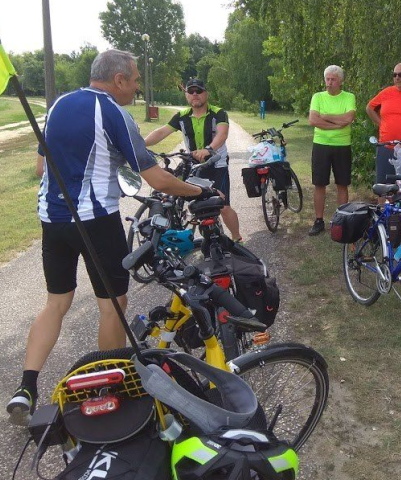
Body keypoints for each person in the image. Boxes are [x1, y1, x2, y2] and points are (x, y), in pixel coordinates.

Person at [6, 50, 215, 425]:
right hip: (96, 222)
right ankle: (109, 388)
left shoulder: (59, 105)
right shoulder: (115, 112)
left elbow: (41, 167)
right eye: (134, 80)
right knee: (112, 304)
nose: (136, 87)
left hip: (52, 219)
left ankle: (26, 387)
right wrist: (200, 193)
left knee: (56, 303)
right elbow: (156, 179)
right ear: (118, 80)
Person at [145, 78, 242, 241]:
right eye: (191, 91)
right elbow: (161, 132)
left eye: (199, 91)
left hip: (217, 164)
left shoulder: (218, 113)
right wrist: (140, 144)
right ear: (186, 95)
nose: (195, 94)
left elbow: (222, 134)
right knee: (195, 202)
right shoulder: (182, 116)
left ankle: (237, 237)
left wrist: (208, 149)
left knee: (223, 206)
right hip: (196, 167)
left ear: (206, 94)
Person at [307, 65, 356, 236]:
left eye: (333, 79)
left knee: (342, 184)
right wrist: (336, 123)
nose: (329, 83)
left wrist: (326, 117)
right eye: (327, 79)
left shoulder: (349, 97)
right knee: (319, 184)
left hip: (342, 146)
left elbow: (348, 119)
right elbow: (313, 120)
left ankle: (341, 220)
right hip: (321, 145)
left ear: (340, 81)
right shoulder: (318, 97)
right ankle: (319, 221)